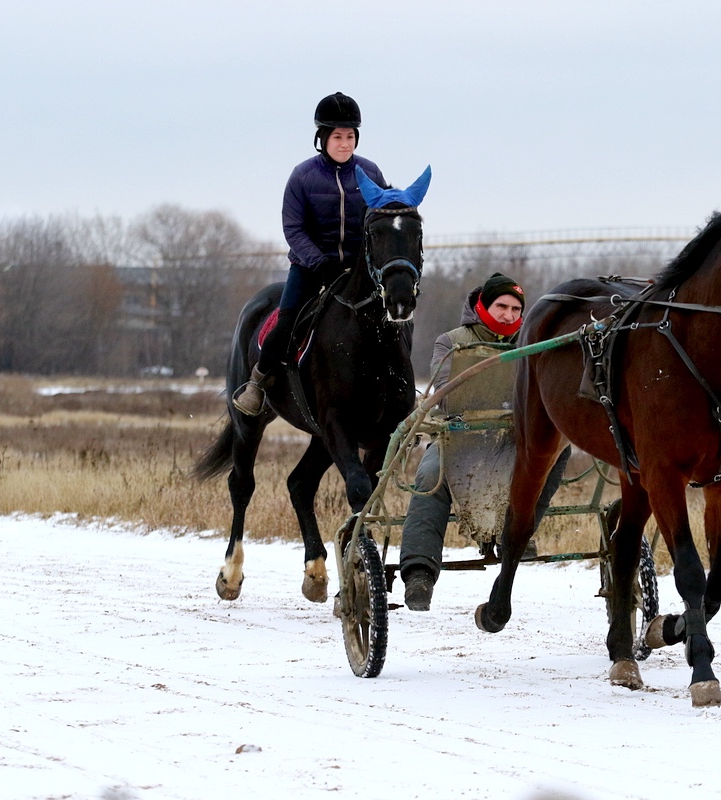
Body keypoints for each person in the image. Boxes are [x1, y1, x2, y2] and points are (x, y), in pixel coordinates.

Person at [399, 273, 572, 611]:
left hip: (516, 439)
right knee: (429, 476)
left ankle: (520, 535)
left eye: (516, 308)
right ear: (483, 306)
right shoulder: (451, 342)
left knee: (558, 452)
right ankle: (419, 571)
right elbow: (448, 394)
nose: (509, 314)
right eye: (501, 306)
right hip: (460, 436)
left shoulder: (533, 339)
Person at [233, 91, 388, 416]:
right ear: (322, 138)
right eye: (337, 137)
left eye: (350, 137)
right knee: (286, 324)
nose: (345, 144)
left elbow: (381, 216)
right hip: (311, 267)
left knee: (391, 319)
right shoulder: (302, 176)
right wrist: (319, 262)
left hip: (360, 270)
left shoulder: (371, 172)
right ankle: (258, 382)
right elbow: (294, 229)